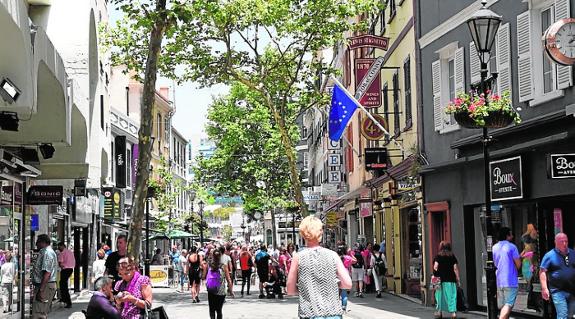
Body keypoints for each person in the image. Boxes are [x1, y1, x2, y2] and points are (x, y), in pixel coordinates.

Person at [287, 216, 352, 319]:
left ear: (303, 234)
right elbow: (347, 284)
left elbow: (290, 290)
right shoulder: (333, 255)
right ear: (320, 232)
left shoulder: (298, 257)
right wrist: (332, 285)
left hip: (310, 313)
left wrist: (306, 290)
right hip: (333, 312)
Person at [540, 232, 575, 319]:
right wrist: (544, 288)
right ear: (555, 242)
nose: (564, 244)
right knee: (562, 315)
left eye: (566, 241)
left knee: (570, 315)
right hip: (557, 290)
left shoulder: (573, 253)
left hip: (572, 290)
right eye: (561, 241)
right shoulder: (549, 255)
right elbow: (542, 271)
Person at [492, 227, 521, 319]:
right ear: (507, 235)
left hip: (499, 280)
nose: (512, 236)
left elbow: (495, 262)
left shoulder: (494, 247)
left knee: (503, 305)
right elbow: (518, 264)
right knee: (508, 304)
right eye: (511, 234)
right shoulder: (512, 247)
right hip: (510, 280)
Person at [31, 234, 58, 319]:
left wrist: (41, 290)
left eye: (37, 242)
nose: (36, 244)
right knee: (41, 312)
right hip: (45, 285)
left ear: (43, 242)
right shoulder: (46, 252)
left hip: (45, 285)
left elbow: (47, 272)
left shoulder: (47, 252)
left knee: (39, 313)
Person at [203, 250, 233, 319]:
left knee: (212, 309)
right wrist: (230, 290)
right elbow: (229, 279)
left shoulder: (210, 265)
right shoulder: (223, 266)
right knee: (219, 310)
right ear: (220, 256)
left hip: (211, 290)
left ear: (213, 256)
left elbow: (204, 276)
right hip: (221, 291)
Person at [432, 241, 460, 319]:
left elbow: (435, 267)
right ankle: (453, 313)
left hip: (437, 279)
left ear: (440, 248)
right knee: (451, 296)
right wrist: (458, 278)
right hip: (450, 280)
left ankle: (439, 312)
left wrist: (436, 274)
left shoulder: (438, 256)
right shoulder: (452, 256)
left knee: (438, 296)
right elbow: (455, 268)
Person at [57, 242, 75, 308]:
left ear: (62, 246)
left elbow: (60, 263)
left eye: (59, 247)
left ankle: (67, 300)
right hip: (70, 269)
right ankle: (64, 299)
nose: (58, 248)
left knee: (63, 285)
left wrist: (61, 266)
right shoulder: (70, 252)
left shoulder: (62, 253)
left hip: (65, 269)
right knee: (63, 284)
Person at [337, 245, 355, 312]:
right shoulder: (347, 257)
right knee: (344, 292)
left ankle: (336, 307)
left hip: (337, 275)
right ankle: (343, 307)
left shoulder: (336, 257)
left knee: (337, 292)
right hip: (345, 274)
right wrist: (350, 254)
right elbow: (355, 261)